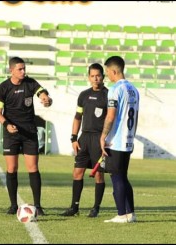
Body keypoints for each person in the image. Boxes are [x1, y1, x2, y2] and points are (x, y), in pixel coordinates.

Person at [0, 56, 52, 216]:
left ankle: (38, 206)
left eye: (24, 68)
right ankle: (13, 205)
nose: (23, 71)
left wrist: (46, 99)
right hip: (11, 133)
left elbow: (42, 93)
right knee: (12, 168)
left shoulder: (30, 83)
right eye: (20, 69)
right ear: (11, 70)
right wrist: (7, 125)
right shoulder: (3, 87)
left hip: (29, 133)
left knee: (33, 168)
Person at [60, 63, 108, 218]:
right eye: (92, 76)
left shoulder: (109, 95)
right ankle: (74, 207)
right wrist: (73, 137)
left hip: (100, 139)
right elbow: (77, 117)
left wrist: (107, 139)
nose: (95, 79)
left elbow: (113, 119)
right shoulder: (83, 95)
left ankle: (96, 208)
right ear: (89, 77)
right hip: (84, 138)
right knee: (77, 172)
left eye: (98, 75)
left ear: (103, 76)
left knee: (99, 175)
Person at [100, 56, 139, 223]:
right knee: (123, 176)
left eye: (108, 72)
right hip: (128, 138)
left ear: (114, 71)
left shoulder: (115, 89)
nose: (107, 75)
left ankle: (121, 214)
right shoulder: (134, 89)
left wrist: (103, 136)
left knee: (116, 176)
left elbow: (110, 116)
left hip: (116, 140)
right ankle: (131, 214)